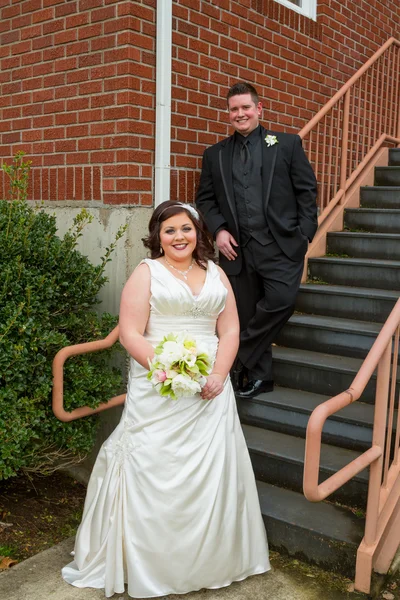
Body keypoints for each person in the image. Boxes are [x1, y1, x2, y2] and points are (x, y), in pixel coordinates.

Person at [61, 200, 270, 598]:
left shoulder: (216, 273)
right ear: (158, 235)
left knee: (212, 473)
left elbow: (229, 331)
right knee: (155, 466)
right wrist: (170, 371)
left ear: (199, 233)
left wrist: (219, 375)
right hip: (159, 385)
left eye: (186, 229)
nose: (179, 237)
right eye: (170, 230)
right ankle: (149, 562)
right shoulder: (147, 273)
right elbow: (131, 333)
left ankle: (209, 560)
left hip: (211, 389)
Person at [196, 82, 318, 398]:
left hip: (281, 245)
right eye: (234, 109)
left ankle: (234, 356)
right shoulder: (214, 155)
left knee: (281, 302)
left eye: (246, 107)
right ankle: (260, 377)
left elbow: (306, 190)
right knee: (248, 312)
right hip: (237, 250)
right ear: (228, 114)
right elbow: (206, 199)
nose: (240, 114)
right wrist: (219, 229)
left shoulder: (287, 144)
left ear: (259, 109)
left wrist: (305, 233)